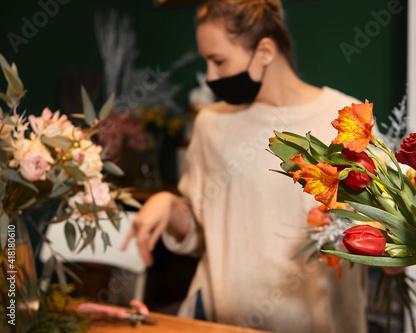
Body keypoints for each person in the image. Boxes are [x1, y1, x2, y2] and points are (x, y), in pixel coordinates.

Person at [122, 0, 368, 332]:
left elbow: (375, 235)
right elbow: (198, 232)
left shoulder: (346, 120)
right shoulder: (210, 125)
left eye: (218, 61)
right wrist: (167, 205)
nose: (210, 76)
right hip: (219, 323)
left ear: (265, 50)